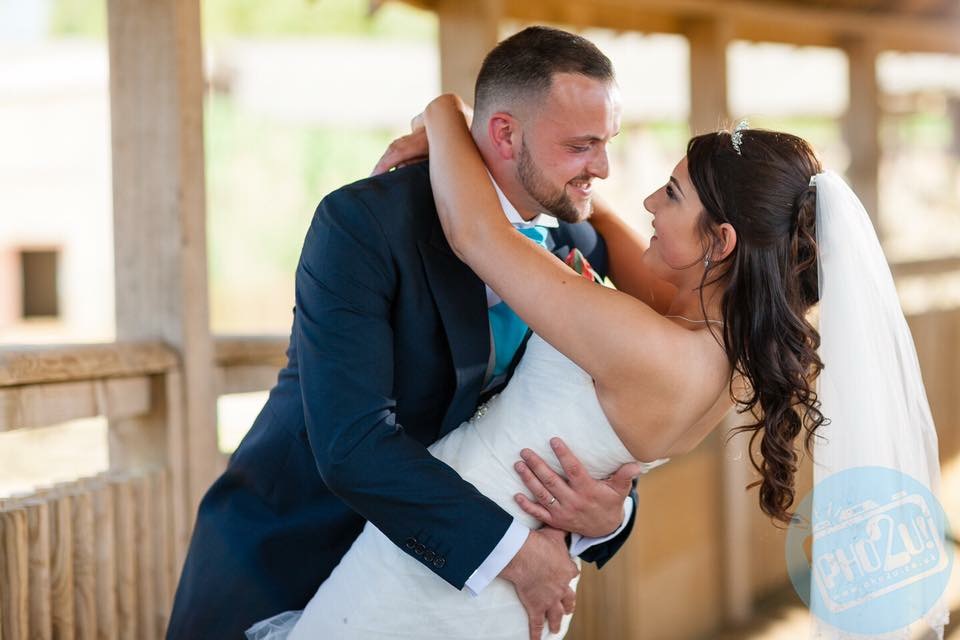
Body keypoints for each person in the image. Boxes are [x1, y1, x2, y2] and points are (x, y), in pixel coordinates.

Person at [247, 95, 946, 638]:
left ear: (722, 241)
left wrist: (447, 113)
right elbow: (597, 219)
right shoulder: (713, 338)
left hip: (442, 583)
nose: (646, 201)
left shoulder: (653, 350)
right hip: (489, 576)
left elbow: (476, 233)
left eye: (671, 194)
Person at [167, 27, 643, 640]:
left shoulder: (575, 240)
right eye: (581, 146)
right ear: (504, 133)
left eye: (605, 144)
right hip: (291, 561)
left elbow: (591, 401)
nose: (601, 168)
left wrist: (610, 515)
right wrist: (517, 558)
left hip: (442, 597)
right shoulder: (363, 223)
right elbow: (352, 442)